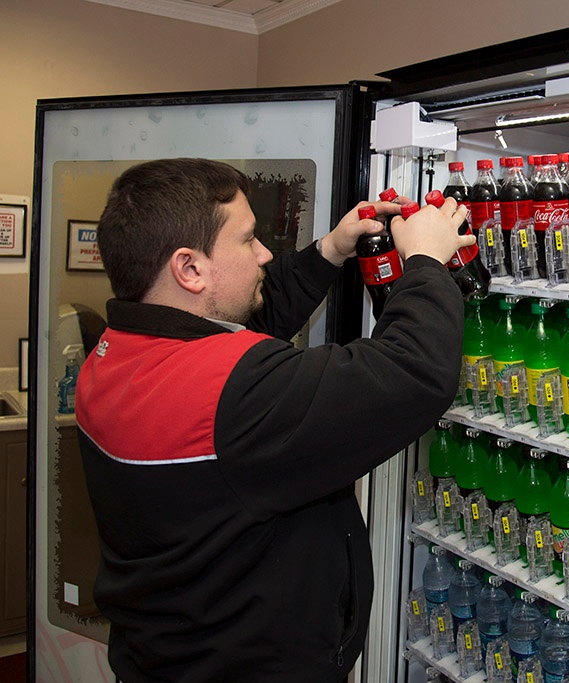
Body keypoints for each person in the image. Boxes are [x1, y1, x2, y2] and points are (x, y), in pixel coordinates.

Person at [75, 157, 476, 682]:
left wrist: (332, 250)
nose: (265, 252)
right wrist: (424, 259)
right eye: (247, 240)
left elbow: (243, 323)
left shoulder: (116, 354)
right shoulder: (230, 397)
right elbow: (411, 374)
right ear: (188, 268)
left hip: (163, 658)